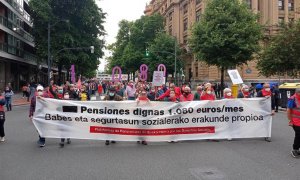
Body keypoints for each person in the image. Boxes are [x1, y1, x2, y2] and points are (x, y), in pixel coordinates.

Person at [287, 88, 300, 158]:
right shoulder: (292, 99)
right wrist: (290, 120)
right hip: (296, 121)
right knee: (298, 135)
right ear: (297, 93)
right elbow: (288, 110)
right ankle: (295, 149)